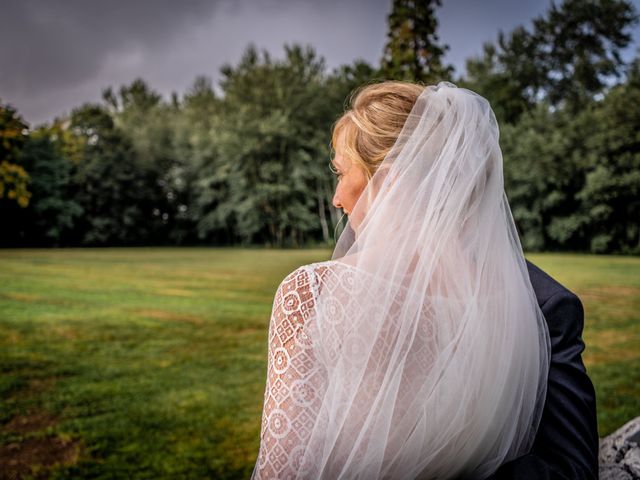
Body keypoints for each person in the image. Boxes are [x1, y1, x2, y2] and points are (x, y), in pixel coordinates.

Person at [251, 81, 598, 479]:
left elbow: (571, 469)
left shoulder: (542, 305)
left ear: (389, 182)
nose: (336, 198)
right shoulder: (498, 313)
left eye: (341, 172)